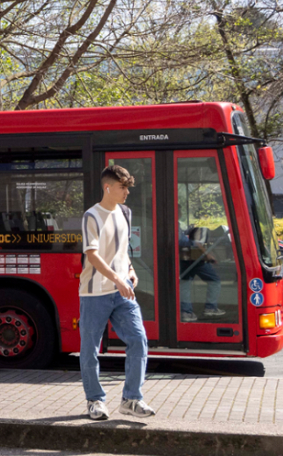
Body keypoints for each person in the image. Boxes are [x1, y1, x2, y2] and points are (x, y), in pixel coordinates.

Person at [79, 165, 155, 420]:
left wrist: (130, 271)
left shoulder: (125, 212)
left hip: (123, 290)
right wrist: (117, 279)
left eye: (128, 188)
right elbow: (93, 255)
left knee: (138, 340)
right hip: (94, 293)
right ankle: (95, 401)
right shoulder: (91, 216)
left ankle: (131, 399)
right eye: (123, 187)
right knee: (90, 349)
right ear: (108, 188)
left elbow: (121, 250)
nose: (127, 192)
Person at [179, 226, 225, 322]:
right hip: (195, 257)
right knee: (214, 281)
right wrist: (208, 256)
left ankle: (186, 312)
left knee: (185, 284)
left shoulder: (180, 227)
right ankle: (210, 307)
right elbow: (197, 243)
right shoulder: (203, 230)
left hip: (184, 258)